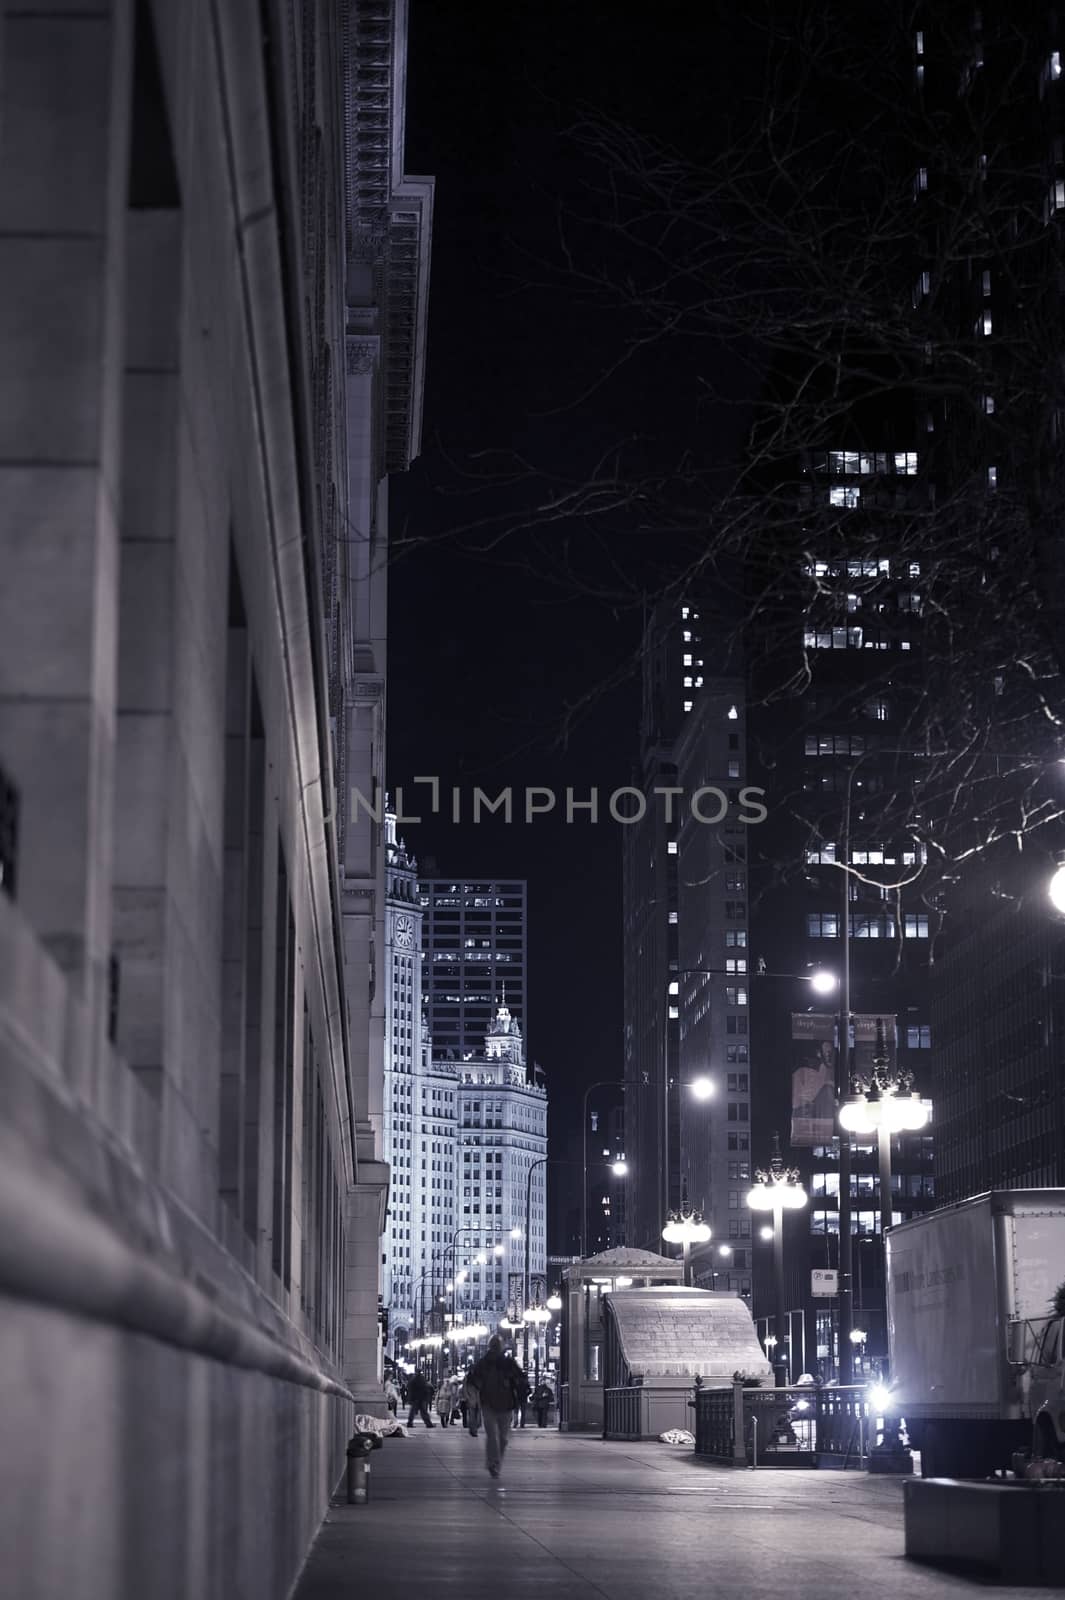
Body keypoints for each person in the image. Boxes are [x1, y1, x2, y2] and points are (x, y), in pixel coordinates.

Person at [468, 1335, 529, 1479]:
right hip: (496, 1403)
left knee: (497, 1437)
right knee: (498, 1437)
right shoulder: (494, 1363)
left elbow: (473, 1381)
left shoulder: (496, 1363)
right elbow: (521, 1378)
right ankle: (494, 1463)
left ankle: (494, 1462)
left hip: (498, 1403)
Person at [461, 1369, 481, 1438]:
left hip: (476, 1400)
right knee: (473, 1416)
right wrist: (467, 1398)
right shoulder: (468, 1379)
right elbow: (464, 1389)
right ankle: (473, 1430)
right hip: (472, 1400)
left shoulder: (477, 1379)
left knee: (475, 1417)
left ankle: (473, 1429)